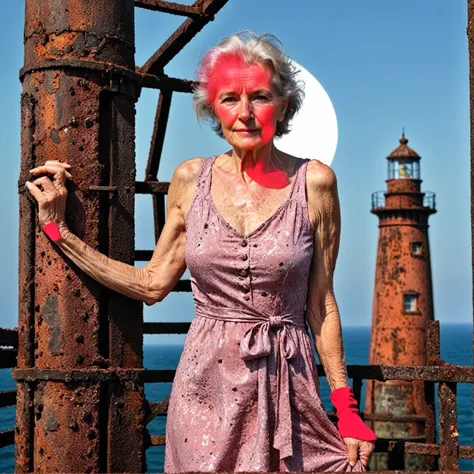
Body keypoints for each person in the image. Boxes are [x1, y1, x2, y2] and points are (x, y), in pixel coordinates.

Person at [26, 32, 376, 472]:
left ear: (283, 106)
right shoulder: (191, 179)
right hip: (204, 392)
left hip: (288, 387)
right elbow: (152, 283)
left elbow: (320, 304)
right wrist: (59, 231)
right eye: (230, 99)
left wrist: (345, 410)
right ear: (214, 109)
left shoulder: (316, 183)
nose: (245, 113)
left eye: (260, 97)